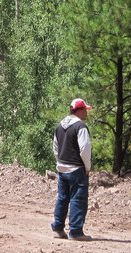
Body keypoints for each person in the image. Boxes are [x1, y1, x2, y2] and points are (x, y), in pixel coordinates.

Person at [50, 98, 93, 241]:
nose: (86, 113)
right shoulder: (80, 127)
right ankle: (75, 232)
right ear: (79, 111)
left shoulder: (60, 126)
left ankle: (58, 229)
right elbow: (85, 149)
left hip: (62, 168)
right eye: (85, 110)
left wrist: (59, 162)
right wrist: (87, 167)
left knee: (62, 198)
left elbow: (55, 147)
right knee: (78, 200)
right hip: (76, 169)